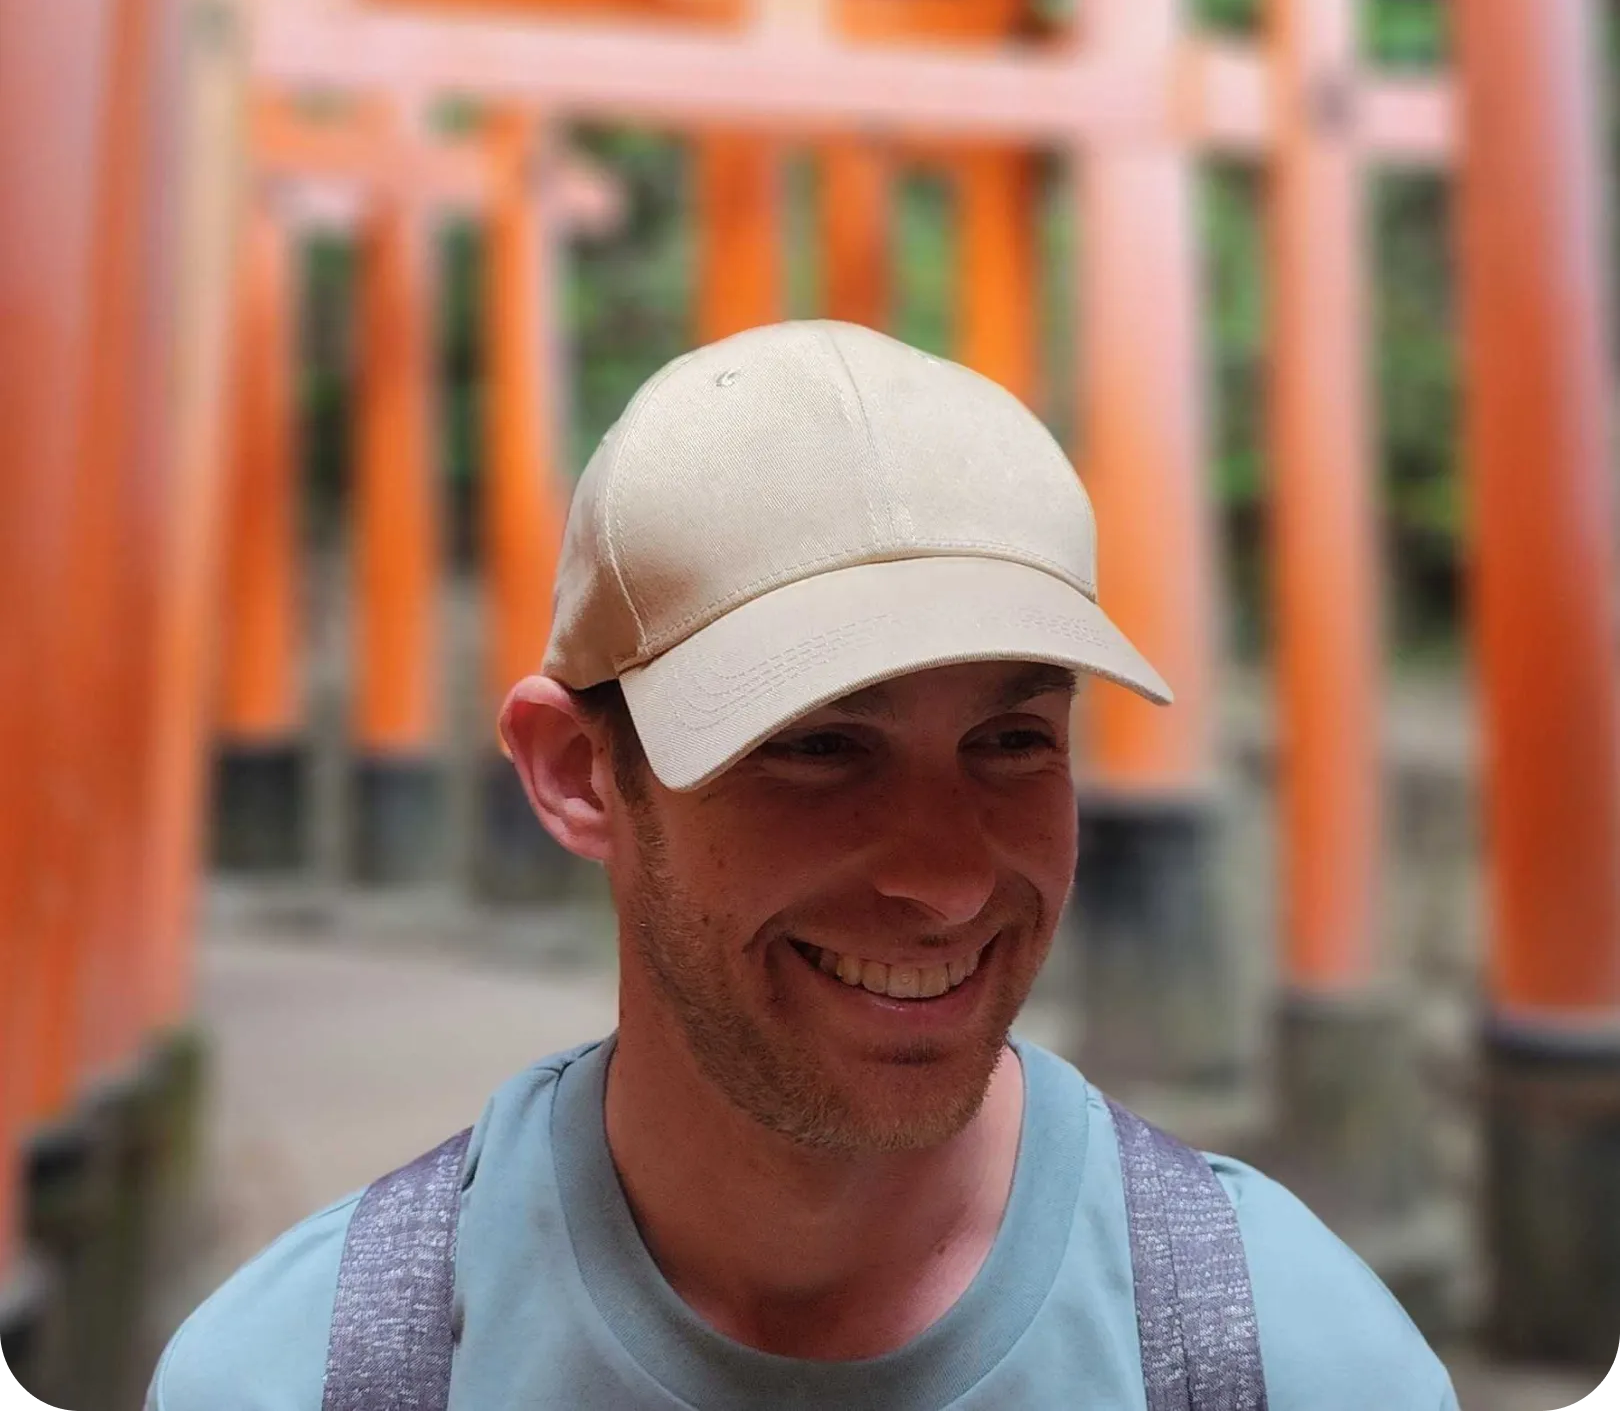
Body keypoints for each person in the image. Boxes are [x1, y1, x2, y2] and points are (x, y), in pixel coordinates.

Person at [148, 320, 1459, 1409]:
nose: (947, 881)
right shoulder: (300, 1379)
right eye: (818, 747)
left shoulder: (1292, 1363)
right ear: (576, 772)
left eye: (1013, 741)